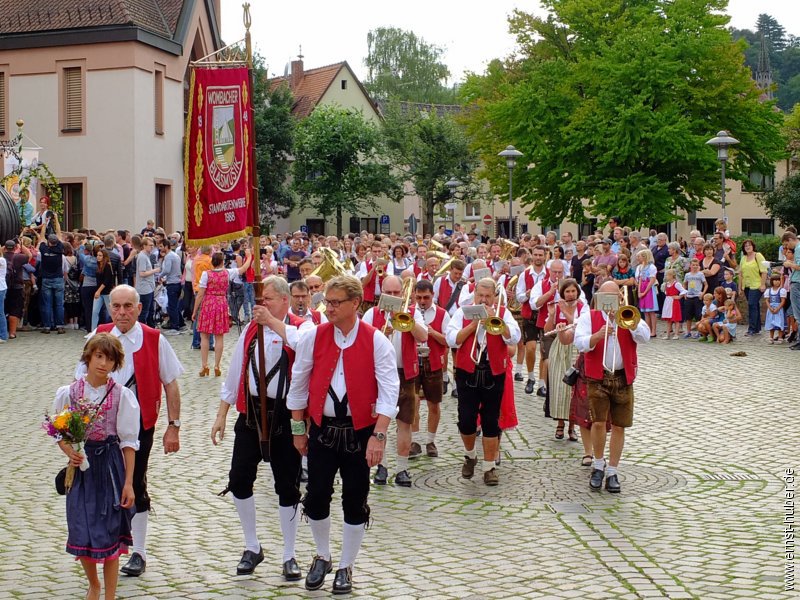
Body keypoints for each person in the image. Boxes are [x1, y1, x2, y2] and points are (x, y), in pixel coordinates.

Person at [288, 275, 399, 594]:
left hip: (360, 431)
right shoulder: (314, 336)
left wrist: (378, 436)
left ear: (355, 304)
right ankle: (322, 555)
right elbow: (298, 385)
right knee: (317, 495)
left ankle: (346, 566)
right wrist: (298, 430)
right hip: (322, 430)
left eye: (336, 302)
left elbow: (390, 391)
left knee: (355, 498)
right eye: (327, 302)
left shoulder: (376, 340)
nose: (329, 308)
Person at [75, 285, 183, 578]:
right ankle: (105, 545)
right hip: (98, 429)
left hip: (138, 425)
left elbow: (171, 383)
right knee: (98, 486)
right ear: (110, 309)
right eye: (117, 307)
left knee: (134, 483)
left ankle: (139, 552)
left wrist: (173, 427)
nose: (122, 312)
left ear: (138, 307)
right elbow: (79, 379)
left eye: (128, 306)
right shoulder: (99, 334)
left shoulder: (154, 338)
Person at [213, 276, 311, 578]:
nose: (261, 305)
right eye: (259, 300)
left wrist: (272, 321)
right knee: (239, 479)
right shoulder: (250, 330)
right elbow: (235, 371)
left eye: (266, 299)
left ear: (284, 299)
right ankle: (252, 546)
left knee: (287, 486)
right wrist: (221, 414)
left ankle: (289, 553)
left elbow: (300, 343)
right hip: (251, 414)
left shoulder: (302, 326)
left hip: (285, 415)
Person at [54, 333, 139, 600]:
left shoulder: (122, 395)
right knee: (81, 527)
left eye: (110, 359)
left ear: (116, 365)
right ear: (88, 358)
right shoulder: (69, 392)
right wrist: (71, 452)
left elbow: (128, 441)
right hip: (80, 470)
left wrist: (128, 483)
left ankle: (110, 595)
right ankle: (94, 584)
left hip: (110, 466)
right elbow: (59, 432)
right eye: (99, 356)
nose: (103, 364)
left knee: (111, 530)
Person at [574, 280, 650, 494]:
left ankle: (613, 470)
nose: (610, 302)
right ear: (599, 298)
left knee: (619, 425)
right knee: (598, 423)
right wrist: (597, 336)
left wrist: (632, 323)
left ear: (620, 298)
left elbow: (645, 338)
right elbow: (579, 343)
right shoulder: (589, 316)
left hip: (623, 377)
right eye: (605, 298)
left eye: (614, 297)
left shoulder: (627, 314)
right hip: (597, 376)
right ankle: (598, 465)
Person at [446, 278, 521, 486]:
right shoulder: (463, 312)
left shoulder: (502, 312)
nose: (485, 300)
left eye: (489, 296)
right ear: (475, 294)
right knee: (466, 419)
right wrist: (473, 324)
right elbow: (452, 339)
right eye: (481, 296)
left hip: (493, 371)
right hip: (467, 371)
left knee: (491, 422)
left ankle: (489, 468)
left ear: (494, 296)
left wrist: (498, 321)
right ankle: (470, 455)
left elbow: (514, 338)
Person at [362, 276, 427, 486]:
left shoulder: (411, 312)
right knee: (379, 423)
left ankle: (402, 469)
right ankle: (382, 466)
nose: (392, 296)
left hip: (404, 373)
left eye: (397, 293)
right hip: (377, 374)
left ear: (402, 293)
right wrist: (379, 333)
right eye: (388, 292)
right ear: (382, 293)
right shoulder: (372, 313)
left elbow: (424, 337)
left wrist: (409, 322)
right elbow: (361, 342)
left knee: (405, 423)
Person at [192, 250, 252, 377]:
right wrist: (249, 256)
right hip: (221, 303)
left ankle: (204, 365)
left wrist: (195, 310)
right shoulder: (228, 273)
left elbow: (200, 294)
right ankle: (217, 365)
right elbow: (243, 268)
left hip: (208, 303)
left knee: (205, 336)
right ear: (222, 262)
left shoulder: (206, 274)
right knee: (219, 336)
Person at [410, 279, 449, 458]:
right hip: (413, 361)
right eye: (419, 297)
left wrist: (431, 332)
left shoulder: (442, 313)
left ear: (433, 295)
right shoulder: (408, 312)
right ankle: (415, 440)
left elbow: (449, 340)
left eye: (426, 297)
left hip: (433, 362)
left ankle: (431, 441)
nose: (422, 301)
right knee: (413, 403)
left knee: (434, 404)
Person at [543, 279, 586, 441]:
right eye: (567, 292)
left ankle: (572, 427)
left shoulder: (583, 307)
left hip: (575, 346)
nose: (570, 294)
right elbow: (547, 330)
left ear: (577, 292)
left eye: (573, 291)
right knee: (559, 386)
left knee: (574, 387)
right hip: (559, 348)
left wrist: (565, 311)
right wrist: (553, 314)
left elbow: (578, 325)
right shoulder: (558, 307)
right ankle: (560, 424)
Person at [515, 246, 548, 394]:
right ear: (532, 256)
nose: (538, 257)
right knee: (531, 348)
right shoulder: (525, 274)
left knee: (544, 351)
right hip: (529, 314)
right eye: (535, 255)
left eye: (540, 255)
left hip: (545, 314)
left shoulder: (549, 273)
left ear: (545, 256)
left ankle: (542, 383)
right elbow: (519, 296)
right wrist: (528, 294)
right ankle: (531, 377)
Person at [38, 232, 66, 334]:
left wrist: (44, 225)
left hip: (46, 279)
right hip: (58, 278)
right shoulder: (60, 249)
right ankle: (60, 326)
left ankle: (47, 326)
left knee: (47, 304)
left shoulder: (44, 249)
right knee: (59, 304)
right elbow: (59, 235)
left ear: (48, 242)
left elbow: (41, 238)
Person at [738, 239, 768, 336]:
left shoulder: (758, 256)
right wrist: (740, 288)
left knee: (752, 305)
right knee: (754, 306)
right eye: (746, 245)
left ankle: (751, 328)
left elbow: (764, 271)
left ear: (753, 246)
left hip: (757, 285)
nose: (748, 247)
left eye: (749, 245)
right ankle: (757, 328)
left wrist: (763, 284)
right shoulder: (743, 258)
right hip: (746, 285)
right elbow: (740, 274)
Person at [158, 238, 185, 335]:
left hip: (172, 283)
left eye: (161, 246)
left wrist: (160, 275)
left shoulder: (169, 256)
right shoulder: (175, 255)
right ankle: (181, 323)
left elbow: (167, 270)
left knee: (172, 306)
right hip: (177, 282)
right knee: (175, 306)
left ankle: (175, 326)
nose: (159, 249)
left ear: (166, 246)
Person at [135, 237, 160, 328]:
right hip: (144, 288)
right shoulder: (142, 256)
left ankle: (150, 327)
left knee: (150, 310)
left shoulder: (146, 255)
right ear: (144, 246)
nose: (152, 247)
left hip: (148, 287)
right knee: (144, 311)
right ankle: (143, 329)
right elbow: (142, 273)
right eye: (150, 245)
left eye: (153, 245)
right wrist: (155, 270)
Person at [635, 249, 658, 337]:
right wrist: (639, 291)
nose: (638, 258)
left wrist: (644, 292)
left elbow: (652, 281)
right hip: (642, 288)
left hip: (649, 290)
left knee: (651, 312)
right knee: (645, 312)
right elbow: (640, 279)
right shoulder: (640, 267)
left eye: (639, 257)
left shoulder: (652, 267)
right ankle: (648, 330)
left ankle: (654, 331)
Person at [660, 269, 686, 340]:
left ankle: (676, 334)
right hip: (668, 302)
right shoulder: (666, 284)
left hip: (674, 302)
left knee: (676, 319)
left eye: (667, 275)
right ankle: (668, 334)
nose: (666, 277)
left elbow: (683, 290)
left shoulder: (676, 284)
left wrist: (679, 296)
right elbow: (666, 292)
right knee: (668, 319)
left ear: (672, 276)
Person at [764, 274, 787, 343]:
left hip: (778, 308)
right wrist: (770, 308)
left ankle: (780, 337)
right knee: (771, 322)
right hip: (771, 308)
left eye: (778, 280)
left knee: (780, 322)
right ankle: (771, 337)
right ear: (772, 281)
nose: (777, 282)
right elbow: (767, 300)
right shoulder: (768, 290)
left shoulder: (782, 290)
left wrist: (778, 308)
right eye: (775, 280)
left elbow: (783, 301)